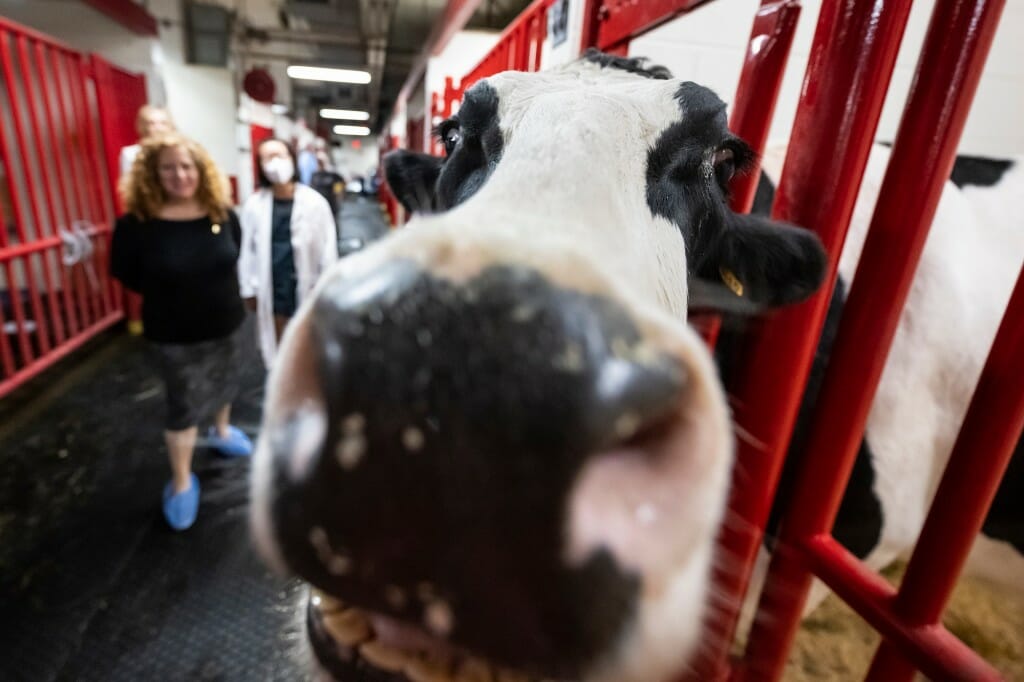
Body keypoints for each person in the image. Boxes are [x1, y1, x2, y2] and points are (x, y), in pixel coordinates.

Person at [110, 133, 253, 531]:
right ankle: (180, 479)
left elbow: (233, 252)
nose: (180, 175)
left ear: (201, 171)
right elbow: (126, 272)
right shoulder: (136, 225)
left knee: (227, 383)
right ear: (153, 175)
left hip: (226, 322)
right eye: (168, 168)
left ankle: (222, 431)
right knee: (183, 405)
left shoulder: (220, 214)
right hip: (172, 334)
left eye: (187, 166)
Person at [239, 137, 338, 367]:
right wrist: (248, 287)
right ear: (260, 165)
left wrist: (328, 283)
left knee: (306, 340)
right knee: (278, 338)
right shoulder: (255, 205)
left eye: (280, 156)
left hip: (307, 281)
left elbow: (328, 248)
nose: (275, 162)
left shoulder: (315, 203)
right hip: (273, 282)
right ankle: (281, 383)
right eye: (268, 157)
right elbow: (247, 251)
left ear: (292, 159)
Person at [118, 105, 175, 177]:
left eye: (163, 123)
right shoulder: (130, 154)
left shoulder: (179, 151)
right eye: (152, 123)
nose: (158, 128)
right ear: (143, 126)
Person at [309, 151, 345, 221]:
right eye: (318, 162)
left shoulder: (332, 174)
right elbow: (312, 187)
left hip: (331, 203)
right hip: (317, 205)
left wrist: (338, 194)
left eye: (321, 162)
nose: (320, 164)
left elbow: (340, 183)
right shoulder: (314, 175)